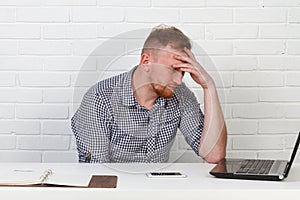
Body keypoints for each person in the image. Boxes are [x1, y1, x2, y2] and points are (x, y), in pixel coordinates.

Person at [71, 25, 227, 163]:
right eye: (173, 69)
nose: (179, 80)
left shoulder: (180, 94)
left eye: (183, 71)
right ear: (146, 62)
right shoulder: (100, 99)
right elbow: (96, 175)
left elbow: (213, 155)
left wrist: (209, 86)